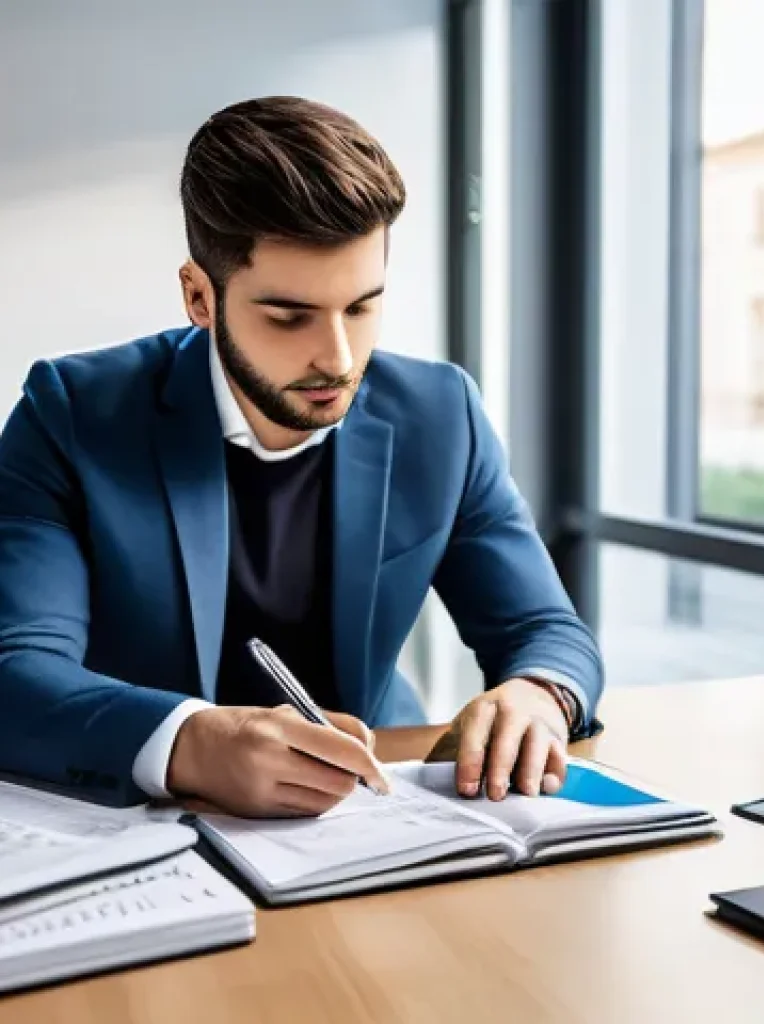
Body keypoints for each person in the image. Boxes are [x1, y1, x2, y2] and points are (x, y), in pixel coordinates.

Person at [0, 96, 604, 818]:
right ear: (200, 295)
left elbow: (545, 629)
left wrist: (539, 693)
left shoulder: (441, 415)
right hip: (150, 822)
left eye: (362, 306)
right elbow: (15, 672)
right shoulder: (71, 412)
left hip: (373, 806)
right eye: (288, 316)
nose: (338, 357)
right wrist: (190, 740)